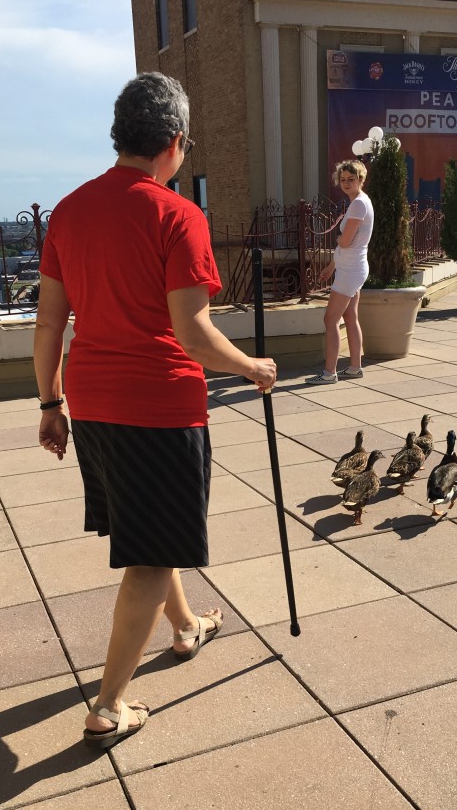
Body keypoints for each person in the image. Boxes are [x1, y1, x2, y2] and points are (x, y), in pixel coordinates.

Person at [34, 72, 276, 749]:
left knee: (150, 529)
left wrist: (51, 403)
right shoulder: (177, 215)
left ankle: (183, 628)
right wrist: (253, 366)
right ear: (174, 143)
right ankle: (109, 705)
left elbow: (49, 324)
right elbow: (192, 334)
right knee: (148, 554)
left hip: (93, 401)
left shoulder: (71, 211)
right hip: (160, 408)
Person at [306, 159, 374, 385]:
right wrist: (331, 266)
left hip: (351, 271)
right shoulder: (360, 202)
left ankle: (329, 373)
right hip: (351, 268)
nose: (345, 183)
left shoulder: (358, 204)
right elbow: (347, 245)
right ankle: (354, 368)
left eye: (351, 179)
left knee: (330, 319)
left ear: (361, 180)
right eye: (342, 179)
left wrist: (337, 238)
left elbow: (344, 242)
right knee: (350, 317)